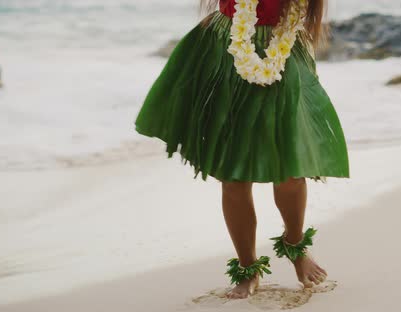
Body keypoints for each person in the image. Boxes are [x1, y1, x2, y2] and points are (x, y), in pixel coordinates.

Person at [134, 0, 350, 299]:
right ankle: (248, 266)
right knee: (234, 175)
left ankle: (295, 244)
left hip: (282, 49)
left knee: (290, 169)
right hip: (225, 48)